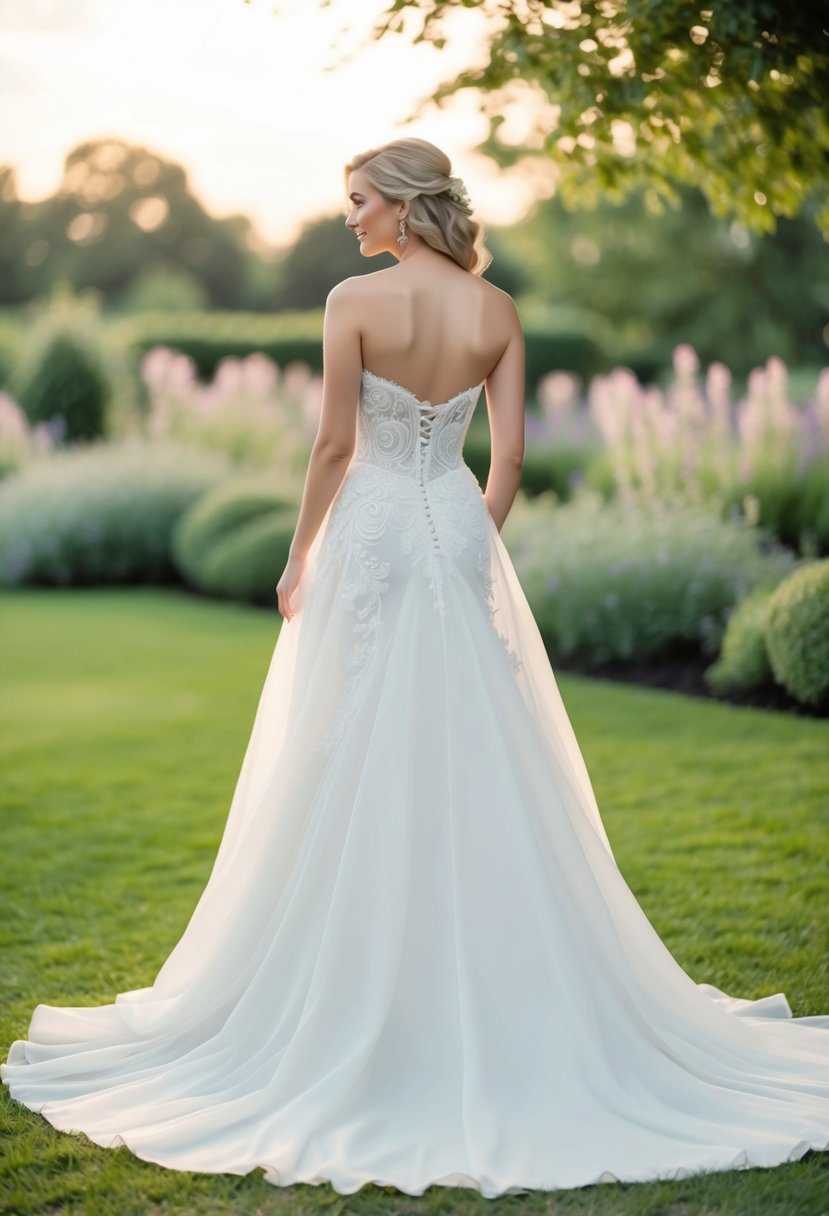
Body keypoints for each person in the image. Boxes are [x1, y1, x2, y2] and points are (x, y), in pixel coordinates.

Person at [2, 138, 828, 1200]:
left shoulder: (354, 301)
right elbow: (513, 457)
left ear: (400, 204)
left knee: (344, 744)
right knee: (477, 750)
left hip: (375, 529)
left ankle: (353, 990)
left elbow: (334, 448)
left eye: (358, 201)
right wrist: (467, 534)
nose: (348, 220)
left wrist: (299, 553)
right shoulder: (500, 313)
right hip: (450, 518)